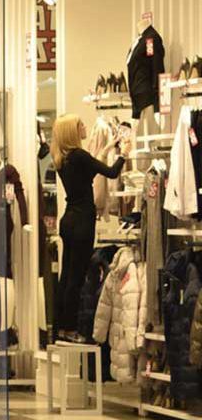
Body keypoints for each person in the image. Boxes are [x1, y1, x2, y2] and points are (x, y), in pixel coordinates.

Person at [51, 114, 125, 342]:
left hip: (69, 220)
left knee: (66, 277)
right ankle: (71, 330)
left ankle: (60, 328)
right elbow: (111, 172)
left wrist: (107, 149)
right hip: (83, 221)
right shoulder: (80, 156)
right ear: (73, 131)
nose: (85, 126)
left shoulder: (64, 160)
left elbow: (91, 171)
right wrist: (124, 153)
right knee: (77, 276)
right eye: (81, 124)